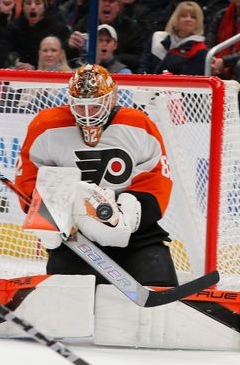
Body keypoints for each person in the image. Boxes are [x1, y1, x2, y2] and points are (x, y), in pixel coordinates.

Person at [15, 64, 178, 288]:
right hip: (75, 239)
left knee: (159, 284)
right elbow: (30, 175)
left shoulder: (138, 125)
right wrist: (49, 212)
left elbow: (157, 174)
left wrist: (130, 214)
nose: (88, 113)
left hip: (135, 235)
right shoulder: (46, 126)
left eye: (95, 106)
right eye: (81, 107)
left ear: (112, 99)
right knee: (68, 299)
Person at [140, 1, 208, 75]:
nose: (188, 19)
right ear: (176, 18)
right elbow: (143, 66)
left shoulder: (200, 49)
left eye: (193, 17)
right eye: (184, 16)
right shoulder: (157, 38)